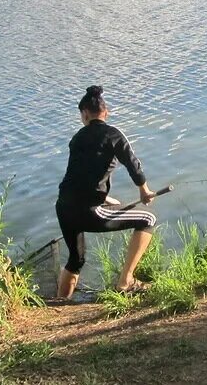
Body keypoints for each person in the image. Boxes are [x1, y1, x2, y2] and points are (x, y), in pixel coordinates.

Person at [54, 85, 157, 299]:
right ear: (106, 112)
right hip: (87, 211)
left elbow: (79, 174)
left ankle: (61, 302)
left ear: (84, 114)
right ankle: (126, 280)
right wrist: (144, 191)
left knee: (76, 259)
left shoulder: (77, 138)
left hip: (63, 206)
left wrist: (104, 198)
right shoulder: (113, 135)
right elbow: (133, 163)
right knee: (148, 219)